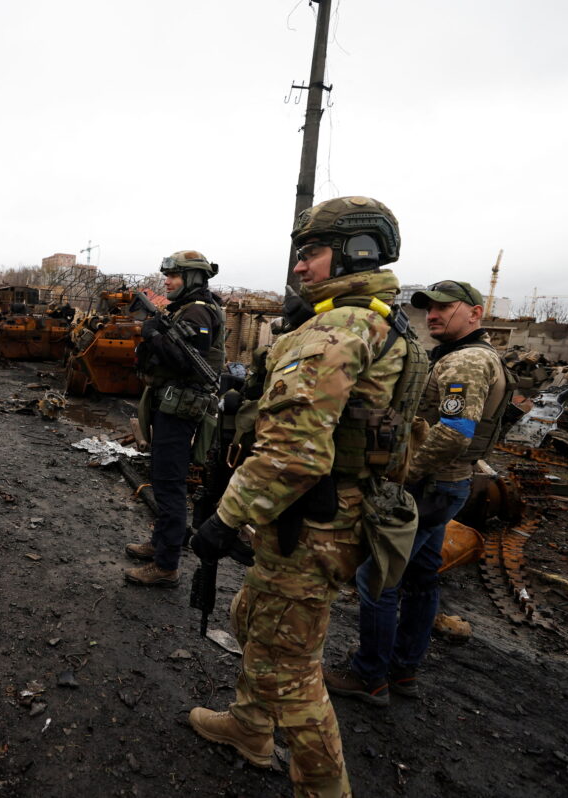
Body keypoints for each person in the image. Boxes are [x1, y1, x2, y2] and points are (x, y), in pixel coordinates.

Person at [187, 196, 409, 798]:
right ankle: (249, 727)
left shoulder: (339, 328)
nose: (299, 268)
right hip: (315, 514)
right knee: (254, 619)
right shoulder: (370, 319)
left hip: (313, 521)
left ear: (355, 251)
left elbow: (295, 453)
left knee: (287, 665)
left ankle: (323, 787)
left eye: (310, 254)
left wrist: (225, 520)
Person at [325, 280, 509, 704]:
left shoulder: (466, 362)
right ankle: (404, 670)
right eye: (430, 308)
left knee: (377, 578)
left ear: (475, 314)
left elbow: (457, 430)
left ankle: (369, 676)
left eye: (447, 308)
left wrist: (404, 474)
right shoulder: (465, 357)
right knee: (422, 577)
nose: (434, 314)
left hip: (429, 486)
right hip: (449, 485)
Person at [124, 251, 225, 588]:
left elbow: (185, 360)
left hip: (181, 407)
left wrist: (152, 335)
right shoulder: (186, 309)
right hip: (170, 403)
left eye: (174, 276)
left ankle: (166, 565)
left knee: (169, 483)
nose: (166, 281)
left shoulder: (198, 311)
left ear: (193, 278)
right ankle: (159, 545)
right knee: (163, 476)